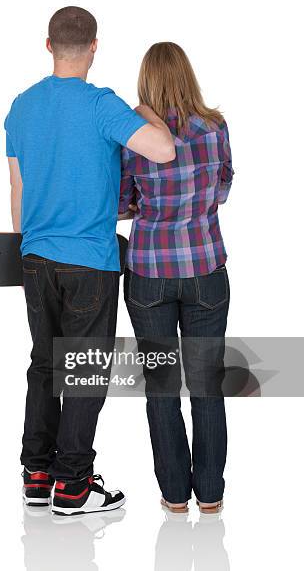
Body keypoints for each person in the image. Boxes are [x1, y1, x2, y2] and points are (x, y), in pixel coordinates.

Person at [4, 8, 176, 515]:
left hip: (34, 257)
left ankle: (37, 475)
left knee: (44, 364)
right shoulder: (104, 106)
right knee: (81, 372)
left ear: (48, 45)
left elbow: (18, 188)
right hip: (90, 263)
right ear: (95, 47)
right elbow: (163, 150)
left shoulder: (22, 107)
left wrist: (25, 249)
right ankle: (74, 486)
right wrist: (145, 109)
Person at [120, 42, 234, 514]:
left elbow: (122, 203)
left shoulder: (136, 135)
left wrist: (145, 206)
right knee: (207, 385)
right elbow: (223, 189)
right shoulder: (215, 127)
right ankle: (210, 495)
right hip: (206, 268)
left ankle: (174, 494)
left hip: (149, 274)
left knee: (161, 388)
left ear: (147, 80)